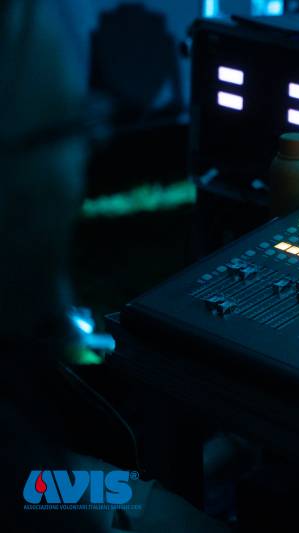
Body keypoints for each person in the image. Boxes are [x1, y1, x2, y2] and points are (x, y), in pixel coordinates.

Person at [0, 2, 226, 530]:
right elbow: (39, 487)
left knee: (146, 498)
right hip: (45, 486)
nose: (92, 148)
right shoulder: (17, 470)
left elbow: (47, 479)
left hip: (54, 478)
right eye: (74, 128)